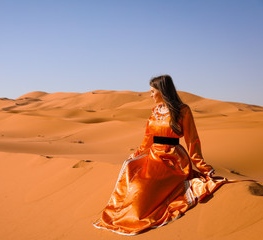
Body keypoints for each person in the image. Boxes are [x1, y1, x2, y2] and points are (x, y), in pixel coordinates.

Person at [92, 74, 227, 235]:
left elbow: (192, 141)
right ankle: (120, 215)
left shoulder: (183, 111)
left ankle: (139, 215)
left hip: (173, 159)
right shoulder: (155, 111)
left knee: (146, 187)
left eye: (152, 91)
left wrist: (203, 167)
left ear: (162, 91)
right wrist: (136, 154)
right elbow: (148, 138)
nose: (150, 95)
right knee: (131, 170)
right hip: (153, 155)